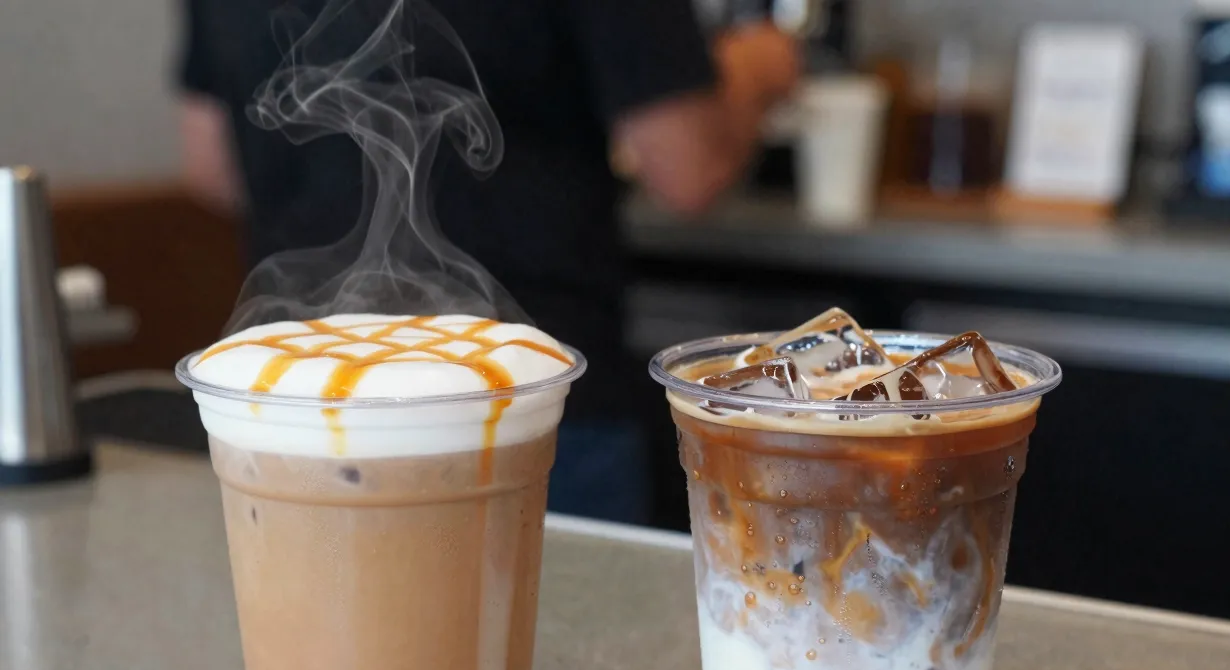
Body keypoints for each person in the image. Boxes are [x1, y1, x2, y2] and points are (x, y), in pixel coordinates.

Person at [178, 0, 799, 523]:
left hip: (291, 414)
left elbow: (210, 163)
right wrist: (757, 67)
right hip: (530, 404)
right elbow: (687, 167)